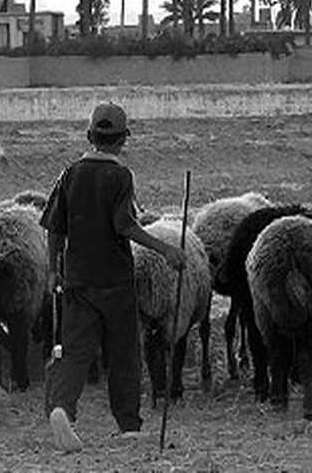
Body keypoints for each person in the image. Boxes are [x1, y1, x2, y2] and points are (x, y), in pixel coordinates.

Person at [40, 100, 185, 453]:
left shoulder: (70, 173)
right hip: (115, 281)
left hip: (77, 279)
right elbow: (124, 224)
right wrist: (165, 249)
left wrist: (53, 269)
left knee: (74, 352)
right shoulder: (120, 176)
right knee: (123, 352)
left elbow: (54, 229)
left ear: (90, 135)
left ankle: (62, 409)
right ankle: (129, 426)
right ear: (122, 140)